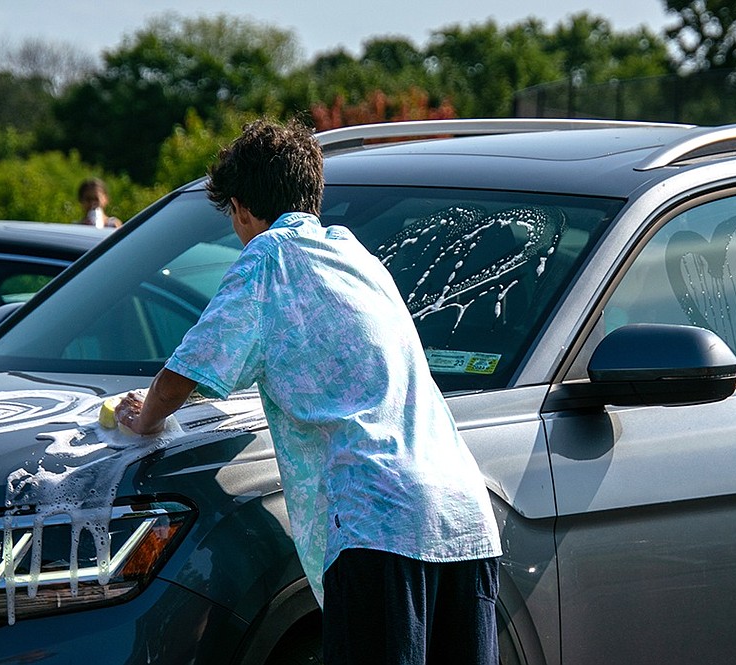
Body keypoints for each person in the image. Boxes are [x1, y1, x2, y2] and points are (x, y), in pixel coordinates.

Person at [114, 118, 502, 664]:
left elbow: (189, 368)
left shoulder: (270, 256)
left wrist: (144, 417)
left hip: (377, 523)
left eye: (233, 220)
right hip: (462, 519)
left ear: (243, 209)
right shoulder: (355, 257)